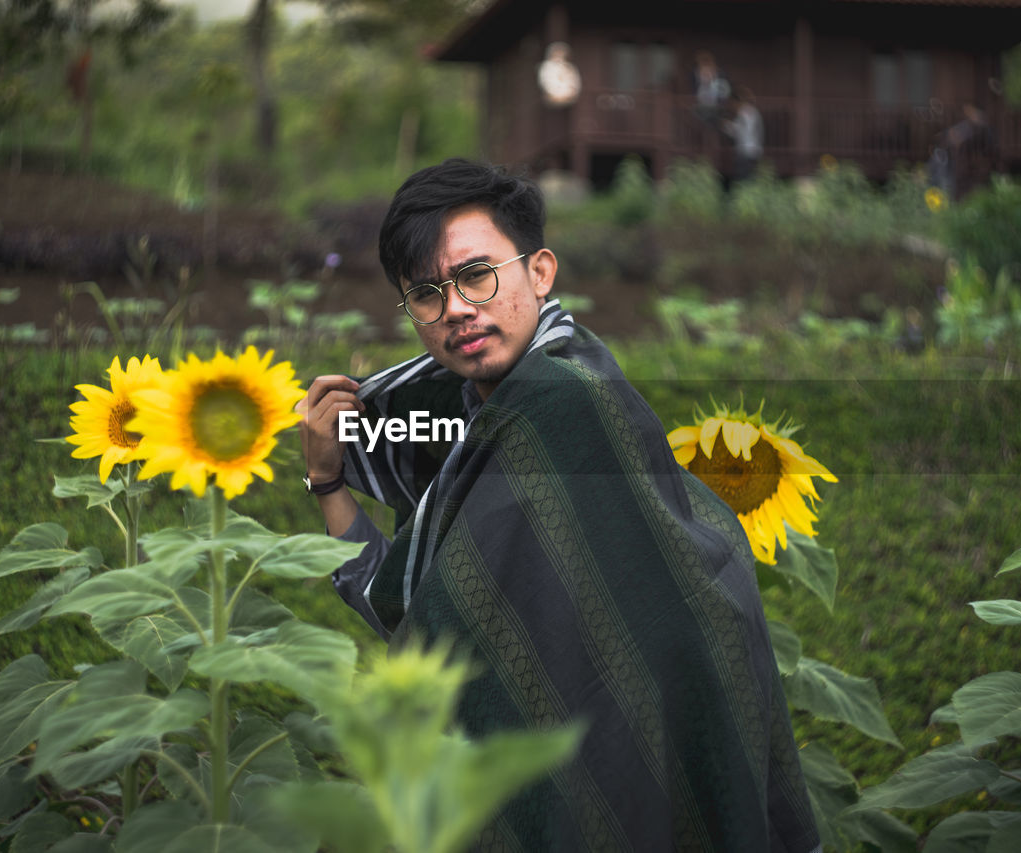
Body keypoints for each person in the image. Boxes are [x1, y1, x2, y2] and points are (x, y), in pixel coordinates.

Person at [299, 158, 820, 852]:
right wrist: (330, 476)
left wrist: (329, 485)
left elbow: (413, 619)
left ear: (539, 272)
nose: (455, 308)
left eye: (476, 275)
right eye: (425, 293)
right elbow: (434, 610)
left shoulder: (561, 404)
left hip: (623, 759)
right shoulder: (482, 409)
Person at [722, 89, 764, 184]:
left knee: (743, 178)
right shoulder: (751, 111)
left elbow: (739, 131)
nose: (732, 106)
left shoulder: (744, 112)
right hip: (754, 149)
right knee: (749, 177)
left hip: (746, 150)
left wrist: (725, 125)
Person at [538, 41, 582, 108]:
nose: (560, 55)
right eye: (557, 53)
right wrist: (556, 94)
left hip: (568, 101)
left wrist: (569, 93)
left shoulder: (569, 67)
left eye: (562, 53)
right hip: (552, 102)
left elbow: (574, 82)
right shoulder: (547, 66)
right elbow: (546, 81)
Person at [692, 50, 731, 124]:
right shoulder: (696, 78)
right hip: (702, 106)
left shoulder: (721, 80)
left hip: (717, 107)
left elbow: (725, 94)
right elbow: (696, 92)